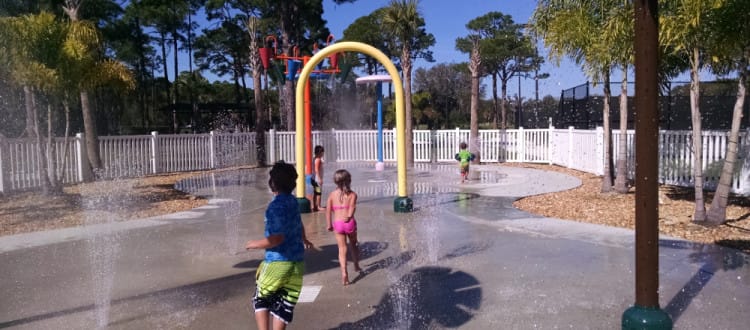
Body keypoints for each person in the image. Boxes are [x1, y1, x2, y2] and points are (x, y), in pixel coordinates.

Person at [246, 161, 313, 330]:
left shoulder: (275, 207)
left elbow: (276, 239)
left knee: (260, 299)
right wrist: (304, 239)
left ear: (272, 183)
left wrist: (254, 244)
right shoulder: (292, 202)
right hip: (296, 264)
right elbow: (298, 223)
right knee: (283, 305)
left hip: (277, 262)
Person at [325, 169, 361, 286]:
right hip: (349, 222)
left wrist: (329, 224)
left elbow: (328, 211)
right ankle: (356, 265)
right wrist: (349, 216)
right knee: (354, 245)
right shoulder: (352, 194)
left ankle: (344, 273)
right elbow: (352, 208)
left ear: (336, 182)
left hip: (338, 224)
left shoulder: (332, 195)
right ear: (349, 180)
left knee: (342, 249)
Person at [311, 145, 325, 212]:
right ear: (320, 152)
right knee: (319, 193)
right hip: (317, 179)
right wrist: (319, 179)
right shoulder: (318, 160)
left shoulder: (314, 158)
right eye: (322, 152)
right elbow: (316, 169)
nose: (323, 154)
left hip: (313, 178)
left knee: (315, 193)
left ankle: (314, 206)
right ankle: (319, 206)